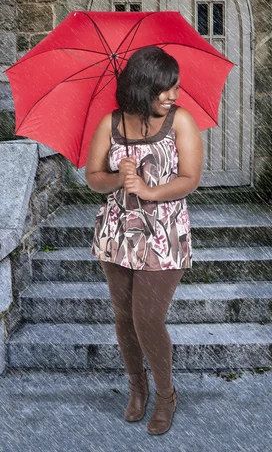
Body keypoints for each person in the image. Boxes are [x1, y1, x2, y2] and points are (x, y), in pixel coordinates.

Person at [85, 46, 204, 435]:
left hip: (164, 233)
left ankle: (166, 395)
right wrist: (119, 178)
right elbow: (92, 177)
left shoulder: (181, 122)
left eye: (176, 87)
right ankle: (138, 388)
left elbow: (190, 179)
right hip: (118, 232)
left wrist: (150, 192)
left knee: (147, 318)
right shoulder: (110, 123)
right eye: (165, 88)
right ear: (141, 86)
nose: (173, 95)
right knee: (123, 317)